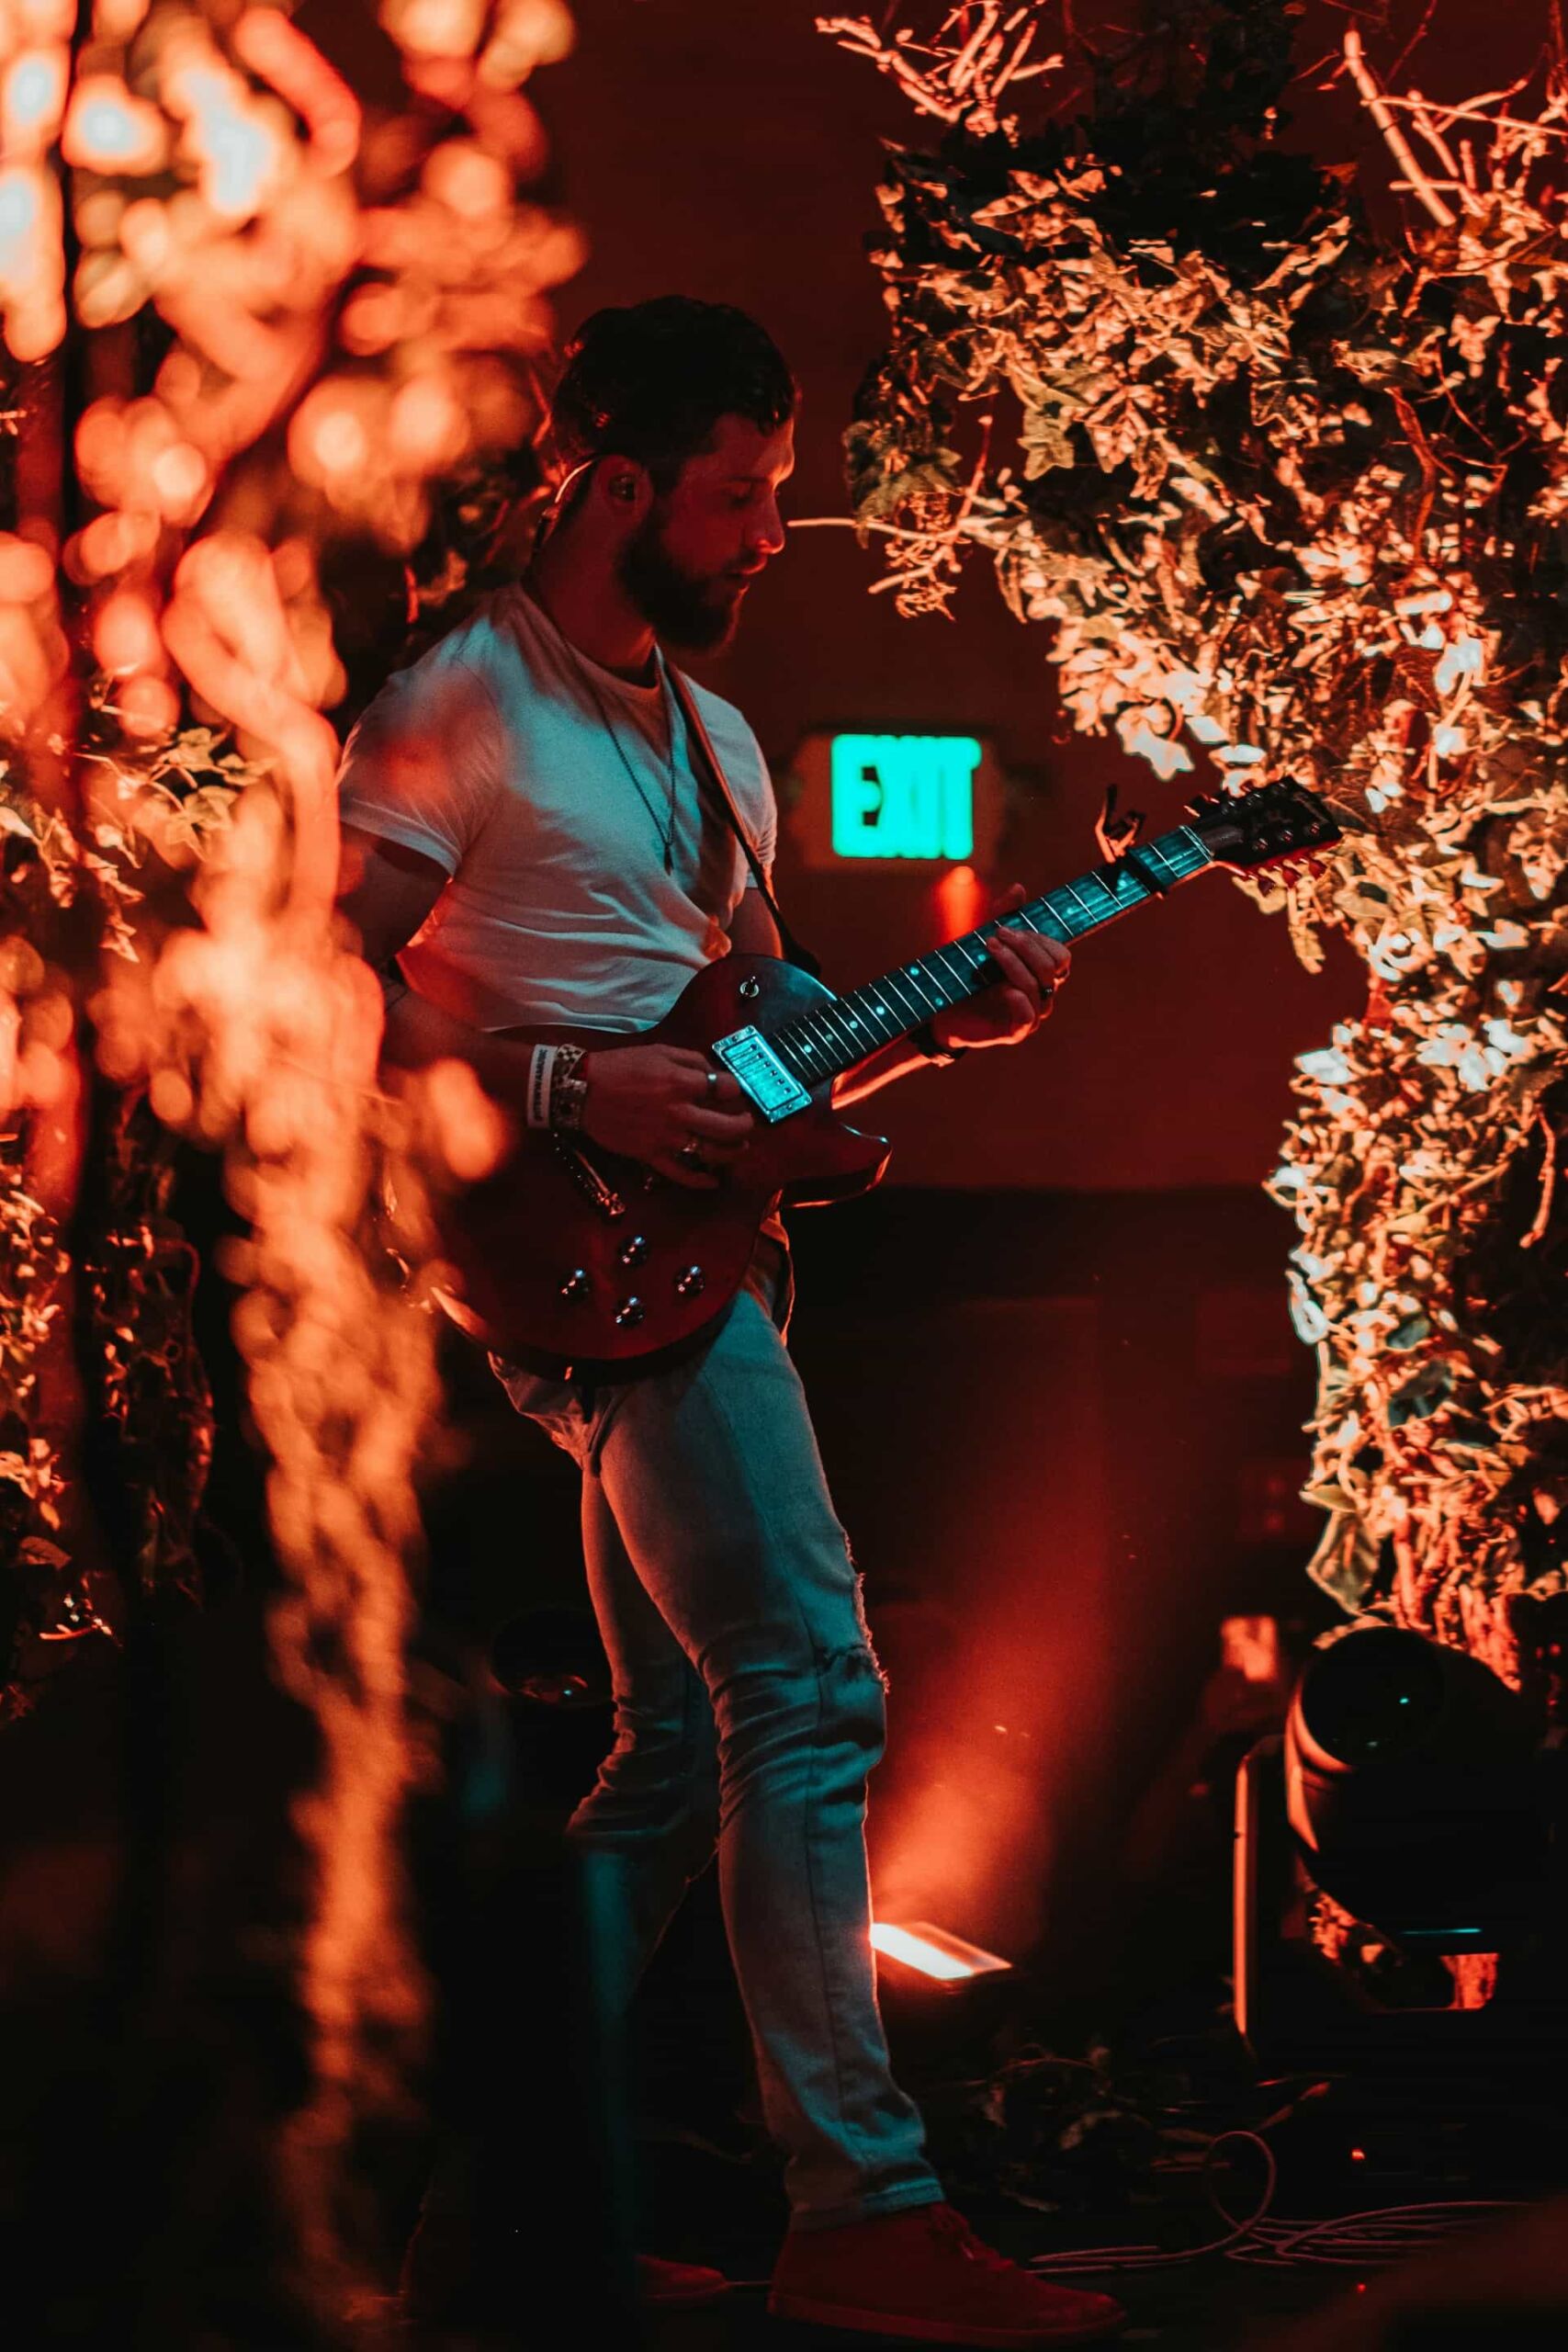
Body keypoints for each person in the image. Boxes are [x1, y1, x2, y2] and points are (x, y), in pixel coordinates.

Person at [334, 296, 1123, 2347]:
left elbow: (770, 1064)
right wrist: (559, 1088)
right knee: (811, 1686)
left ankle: (479, 2218)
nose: (776, 533)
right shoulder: (460, 699)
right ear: (616, 484)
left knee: (676, 1752)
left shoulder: (710, 744)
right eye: (744, 496)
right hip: (573, 1260)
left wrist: (939, 1022)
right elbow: (306, 989)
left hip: (698, 1251)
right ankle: (860, 2209)